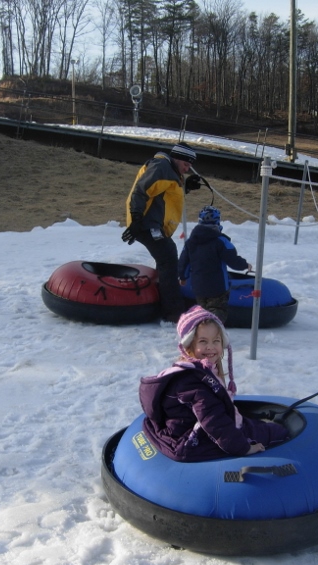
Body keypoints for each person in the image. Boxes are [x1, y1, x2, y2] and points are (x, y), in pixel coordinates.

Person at [138, 305, 289, 462]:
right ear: (189, 345)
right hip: (194, 439)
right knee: (278, 433)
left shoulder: (198, 370)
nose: (210, 347)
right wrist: (243, 447)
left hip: (187, 425)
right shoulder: (193, 383)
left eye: (216, 340)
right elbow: (214, 420)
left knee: (255, 426)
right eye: (203, 341)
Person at [122, 142, 203, 322]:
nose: (188, 168)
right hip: (145, 223)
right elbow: (140, 192)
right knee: (168, 257)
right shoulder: (162, 166)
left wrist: (186, 187)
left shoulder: (170, 170)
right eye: (186, 164)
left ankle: (163, 302)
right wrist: (136, 219)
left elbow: (166, 195)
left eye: (190, 165)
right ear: (178, 158)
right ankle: (173, 312)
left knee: (166, 256)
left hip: (153, 224)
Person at [178, 205, 251, 323]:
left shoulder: (190, 242)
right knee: (217, 310)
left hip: (198, 285)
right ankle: (213, 332)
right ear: (218, 221)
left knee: (202, 310)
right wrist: (244, 265)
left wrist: (182, 277)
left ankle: (202, 331)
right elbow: (233, 260)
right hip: (218, 286)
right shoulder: (221, 241)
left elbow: (183, 261)